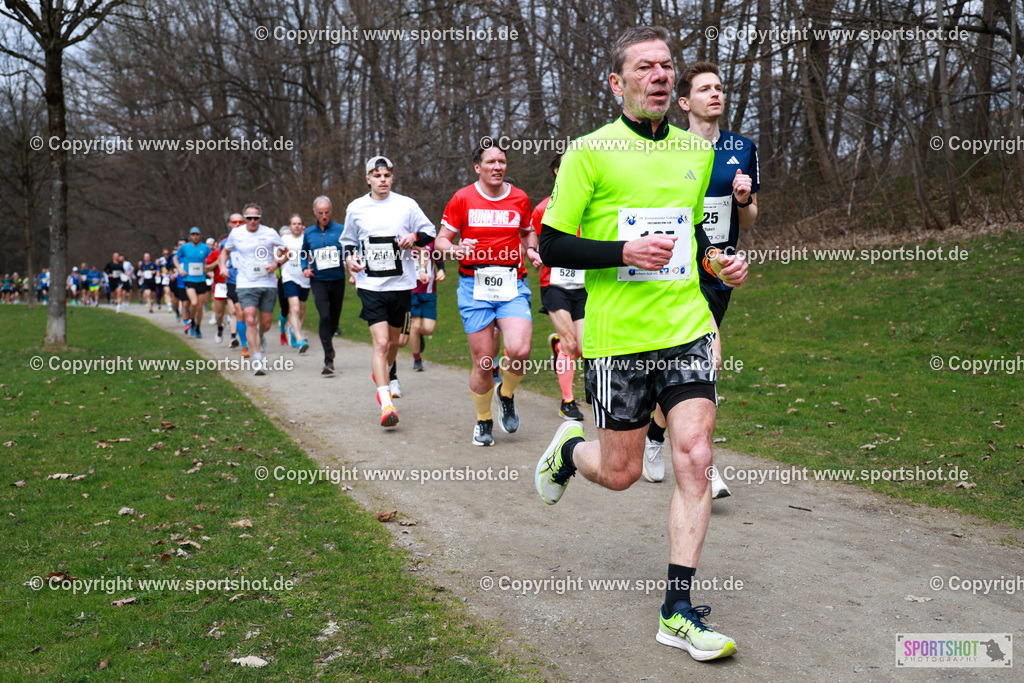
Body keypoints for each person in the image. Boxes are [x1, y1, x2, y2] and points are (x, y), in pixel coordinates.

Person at [533, 26, 749, 662]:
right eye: (646, 67)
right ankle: (571, 451)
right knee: (623, 472)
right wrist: (621, 251)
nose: (659, 75)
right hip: (618, 337)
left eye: (667, 66)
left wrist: (720, 266)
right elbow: (551, 245)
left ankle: (677, 611)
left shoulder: (694, 152)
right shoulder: (588, 153)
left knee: (695, 457)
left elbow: (696, 240)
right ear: (618, 82)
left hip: (685, 326)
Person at [642, 61, 762, 495]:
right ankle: (703, 464)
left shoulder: (743, 149)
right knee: (708, 355)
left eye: (720, 88)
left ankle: (656, 434)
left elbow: (748, 221)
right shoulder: (667, 150)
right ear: (685, 101)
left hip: (718, 272)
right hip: (677, 268)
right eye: (705, 89)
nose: (716, 94)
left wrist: (744, 199)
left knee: (686, 363)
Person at [434, 146, 538, 446]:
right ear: (477, 167)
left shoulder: (519, 198)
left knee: (519, 350)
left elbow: (528, 230)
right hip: (474, 285)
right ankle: (483, 420)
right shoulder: (462, 198)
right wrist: (454, 250)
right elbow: (441, 240)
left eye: (502, 161)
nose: (497, 166)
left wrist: (530, 249)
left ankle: (505, 394)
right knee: (483, 361)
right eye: (490, 161)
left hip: (511, 283)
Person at [341, 156, 437, 426]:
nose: (382, 179)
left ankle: (383, 370)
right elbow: (347, 242)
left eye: (387, 175)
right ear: (368, 179)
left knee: (395, 343)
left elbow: (429, 231)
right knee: (381, 343)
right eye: (377, 175)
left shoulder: (406, 205)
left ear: (392, 178)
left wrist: (414, 238)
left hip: (401, 285)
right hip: (370, 285)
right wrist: (350, 258)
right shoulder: (356, 208)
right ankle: (386, 404)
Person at [532, 153, 586, 421]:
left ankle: (558, 346)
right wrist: (533, 252)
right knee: (571, 342)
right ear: (556, 171)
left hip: (584, 284)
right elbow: (530, 235)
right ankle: (568, 401)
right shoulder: (544, 208)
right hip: (554, 284)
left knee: (584, 348)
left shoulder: (590, 205)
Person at [218, 203, 287, 375]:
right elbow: (224, 253)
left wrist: (276, 263)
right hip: (245, 283)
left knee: (266, 323)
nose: (253, 221)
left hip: (267, 283)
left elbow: (286, 252)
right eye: (249, 218)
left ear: (260, 218)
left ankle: (261, 335)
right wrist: (223, 267)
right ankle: (258, 361)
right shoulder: (236, 233)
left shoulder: (270, 232)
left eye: (256, 218)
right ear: (244, 219)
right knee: (249, 319)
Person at [301, 196, 348, 375]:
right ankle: (328, 358)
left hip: (337, 278)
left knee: (334, 320)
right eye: (320, 213)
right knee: (325, 316)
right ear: (315, 213)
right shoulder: (309, 233)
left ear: (331, 211)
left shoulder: (340, 230)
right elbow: (303, 253)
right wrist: (305, 268)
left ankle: (330, 347)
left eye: (327, 212)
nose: (324, 216)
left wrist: (349, 261)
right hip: (318, 280)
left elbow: (351, 248)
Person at [407, 234, 445, 372]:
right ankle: (417, 359)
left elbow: (439, 259)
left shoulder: (431, 241)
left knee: (429, 329)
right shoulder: (406, 240)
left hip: (429, 291)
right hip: (411, 291)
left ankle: (420, 336)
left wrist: (441, 270)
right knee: (415, 327)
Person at [280, 214, 311, 353]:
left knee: (302, 311)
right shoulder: (284, 239)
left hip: (304, 278)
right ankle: (300, 340)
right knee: (295, 309)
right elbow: (278, 256)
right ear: (290, 226)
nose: (297, 226)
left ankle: (294, 332)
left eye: (299, 223)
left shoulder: (307, 238)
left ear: (302, 226)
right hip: (289, 277)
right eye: (294, 223)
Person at [174, 228, 212, 337]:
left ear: (200, 235)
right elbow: (175, 259)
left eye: (197, 235)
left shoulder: (205, 248)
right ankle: (191, 320)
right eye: (193, 235)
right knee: (194, 302)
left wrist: (209, 269)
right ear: (190, 236)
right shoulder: (185, 247)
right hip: (189, 280)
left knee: (200, 307)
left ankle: (198, 327)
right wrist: (180, 269)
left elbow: (211, 259)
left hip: (201, 280)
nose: (195, 236)